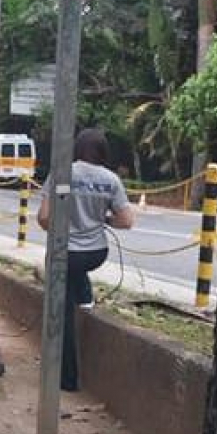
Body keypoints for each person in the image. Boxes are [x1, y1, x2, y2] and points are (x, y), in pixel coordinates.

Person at [37, 128, 135, 392]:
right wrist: (102, 219)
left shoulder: (62, 172)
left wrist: (63, 230)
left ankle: (67, 378)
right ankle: (86, 300)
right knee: (77, 276)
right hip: (95, 253)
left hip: (64, 252)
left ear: (77, 148)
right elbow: (126, 221)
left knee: (62, 312)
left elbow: (44, 217)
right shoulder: (111, 179)